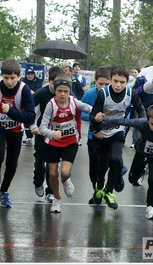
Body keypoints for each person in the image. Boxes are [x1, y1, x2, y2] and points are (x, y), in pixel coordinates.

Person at [101, 104, 153, 219]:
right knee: (132, 179)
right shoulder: (141, 123)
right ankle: (126, 172)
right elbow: (123, 121)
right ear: (147, 121)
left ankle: (150, 208)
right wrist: (101, 126)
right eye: (152, 124)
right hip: (142, 155)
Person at [0, 58, 36, 207]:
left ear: (19, 76)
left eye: (12, 78)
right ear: (2, 76)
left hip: (15, 129)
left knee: (12, 163)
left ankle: (3, 191)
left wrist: (11, 111)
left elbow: (30, 116)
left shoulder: (24, 90)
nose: (9, 82)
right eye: (6, 78)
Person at [89, 65, 146, 209]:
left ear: (127, 82)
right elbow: (92, 114)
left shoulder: (130, 94)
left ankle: (109, 192)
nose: (118, 85)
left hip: (118, 131)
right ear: (111, 80)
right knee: (101, 168)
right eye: (115, 81)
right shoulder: (103, 94)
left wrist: (142, 125)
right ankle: (99, 189)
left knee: (116, 160)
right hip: (102, 134)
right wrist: (96, 123)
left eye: (122, 82)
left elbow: (140, 110)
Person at [39, 74, 93, 213]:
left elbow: (88, 108)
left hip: (70, 142)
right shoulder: (51, 105)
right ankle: (57, 198)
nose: (62, 94)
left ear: (69, 92)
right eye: (59, 91)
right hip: (52, 143)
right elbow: (42, 128)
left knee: (64, 172)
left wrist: (98, 112)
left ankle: (66, 180)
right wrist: (52, 134)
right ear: (55, 91)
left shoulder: (74, 103)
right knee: (52, 174)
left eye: (66, 91)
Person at [29, 66, 65, 202]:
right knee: (40, 162)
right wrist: (32, 126)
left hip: (56, 134)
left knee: (53, 163)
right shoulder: (41, 93)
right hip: (41, 132)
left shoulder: (66, 93)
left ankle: (50, 191)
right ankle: (38, 182)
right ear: (49, 81)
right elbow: (29, 109)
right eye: (53, 83)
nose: (58, 88)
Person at [21, 67, 44, 144]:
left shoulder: (38, 81)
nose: (30, 76)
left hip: (36, 103)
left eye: (31, 74)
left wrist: (29, 91)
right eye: (28, 74)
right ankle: (29, 136)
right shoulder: (23, 80)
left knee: (35, 118)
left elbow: (37, 92)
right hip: (25, 102)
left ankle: (38, 134)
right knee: (26, 119)